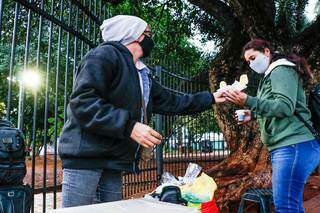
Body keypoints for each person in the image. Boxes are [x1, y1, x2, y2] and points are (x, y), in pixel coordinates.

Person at [58, 15, 226, 208]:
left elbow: (173, 101)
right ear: (136, 36)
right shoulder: (103, 56)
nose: (151, 38)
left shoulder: (141, 73)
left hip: (113, 161)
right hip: (85, 159)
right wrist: (129, 126)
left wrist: (212, 98)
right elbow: (83, 102)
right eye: (148, 33)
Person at [225, 39, 320, 212]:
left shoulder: (280, 70)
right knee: (292, 205)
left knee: (285, 206)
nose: (252, 64)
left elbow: (284, 107)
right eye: (248, 62)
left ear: (267, 52)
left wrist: (248, 100)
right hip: (287, 146)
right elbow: (274, 106)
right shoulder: (270, 74)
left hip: (293, 145)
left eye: (253, 57)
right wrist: (251, 114)